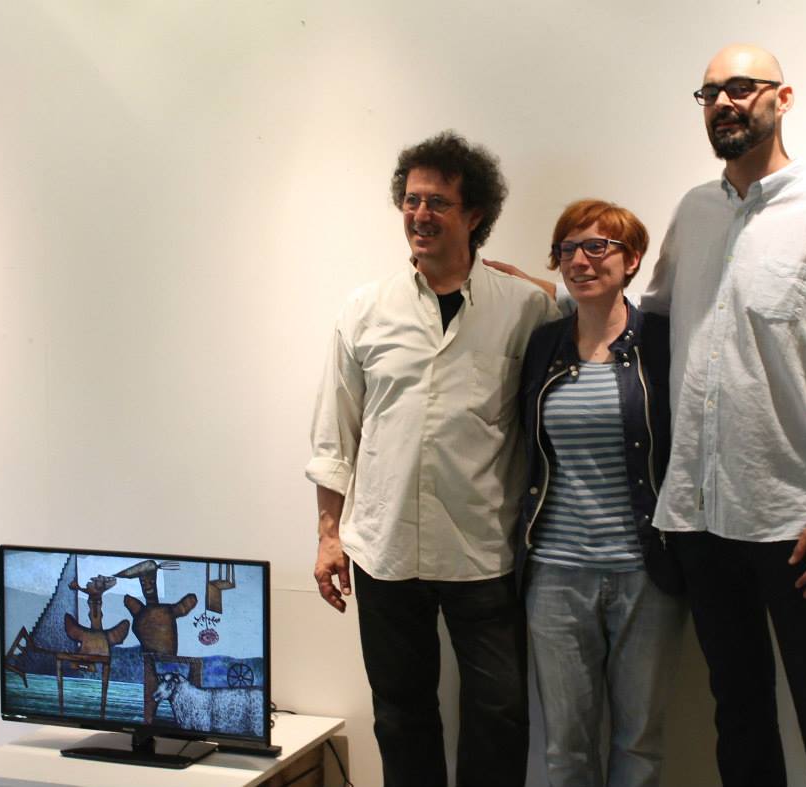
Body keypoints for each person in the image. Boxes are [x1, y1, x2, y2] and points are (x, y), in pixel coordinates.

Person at [641, 44, 806, 786]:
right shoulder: (693, 211)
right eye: (711, 92)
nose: (724, 102)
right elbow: (651, 319)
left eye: (742, 87)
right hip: (699, 516)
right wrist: (553, 299)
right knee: (738, 711)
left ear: (783, 98)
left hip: (797, 518)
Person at [306, 130, 560, 787]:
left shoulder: (524, 309)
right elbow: (335, 433)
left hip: (484, 550)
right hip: (386, 549)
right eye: (412, 200)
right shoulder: (365, 309)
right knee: (400, 715)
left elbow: (585, 351)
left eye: (438, 202)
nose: (420, 214)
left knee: (500, 713)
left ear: (474, 215)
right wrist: (329, 536)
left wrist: (553, 290)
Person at [518, 199, 687, 787]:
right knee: (566, 747)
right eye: (568, 249)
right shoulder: (543, 346)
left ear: (632, 259)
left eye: (597, 246)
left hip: (646, 572)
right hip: (555, 574)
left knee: (638, 742)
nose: (580, 260)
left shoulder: (662, 343)